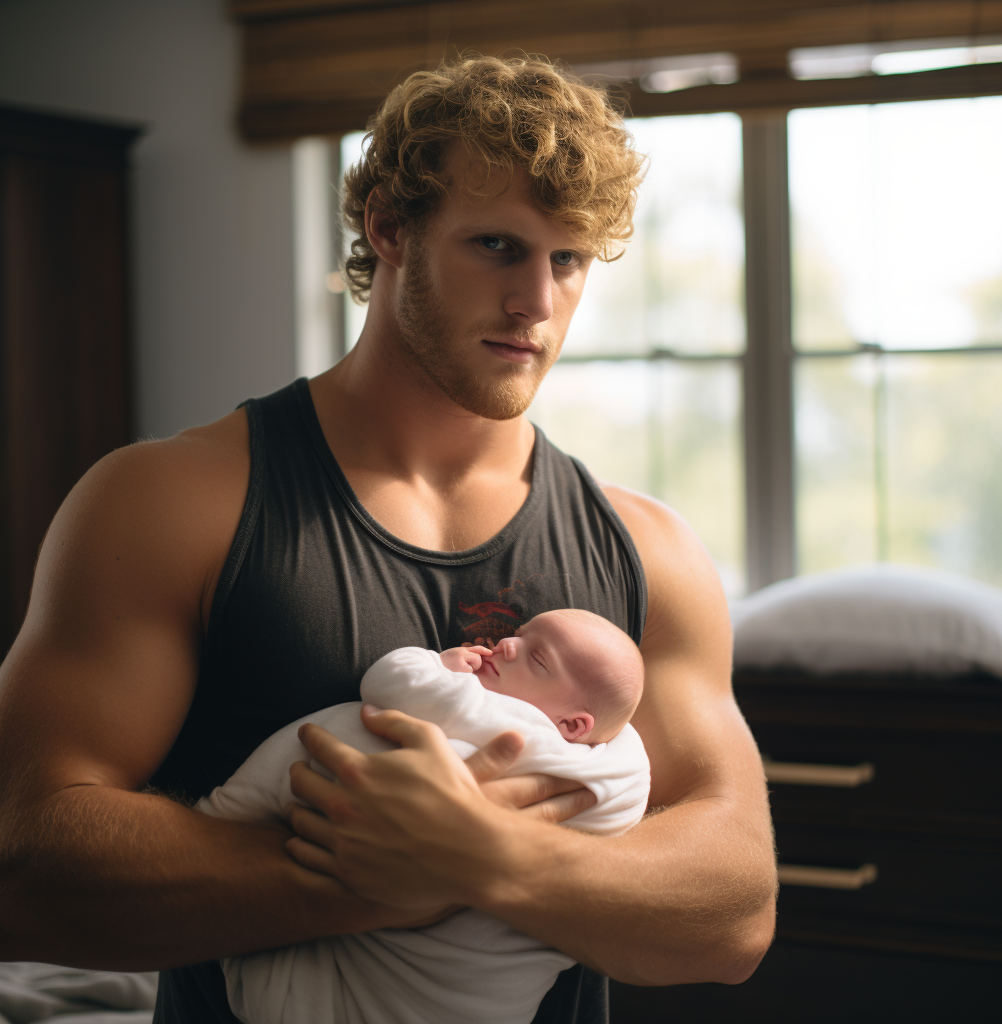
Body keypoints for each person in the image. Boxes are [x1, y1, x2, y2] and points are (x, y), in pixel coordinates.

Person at [0, 53, 776, 1024]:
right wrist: (369, 879)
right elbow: (24, 869)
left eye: (567, 259)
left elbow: (732, 917)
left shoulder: (646, 547)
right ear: (388, 229)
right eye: (497, 245)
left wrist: (489, 856)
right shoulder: (164, 502)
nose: (537, 300)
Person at [205, 608, 650, 1024]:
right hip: (470, 1003)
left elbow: (389, 681)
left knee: (275, 987)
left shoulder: (510, 724)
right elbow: (632, 787)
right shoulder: (610, 768)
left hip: (397, 970)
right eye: (519, 634)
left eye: (536, 658)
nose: (505, 645)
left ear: (573, 726)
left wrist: (438, 664)